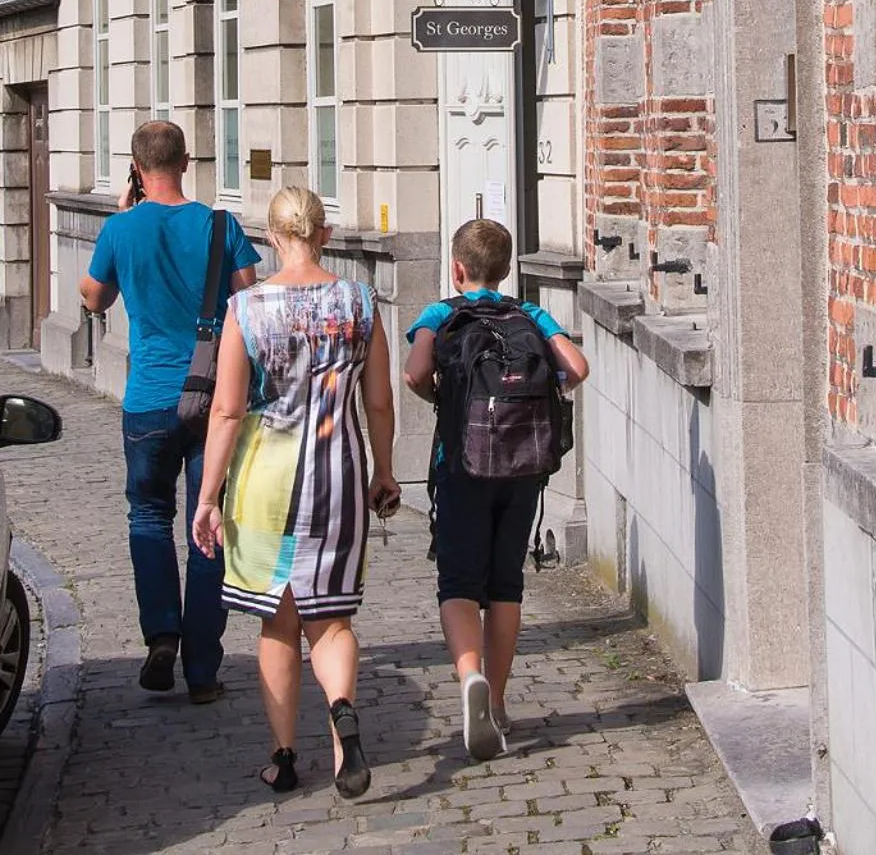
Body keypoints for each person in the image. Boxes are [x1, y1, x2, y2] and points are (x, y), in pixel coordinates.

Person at [191, 186, 399, 799]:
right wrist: (383, 470)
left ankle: (283, 757)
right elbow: (379, 399)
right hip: (338, 474)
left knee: (279, 624)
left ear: (272, 236)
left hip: (266, 479)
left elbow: (227, 411)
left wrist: (207, 496)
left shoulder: (247, 307)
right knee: (331, 620)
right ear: (325, 234)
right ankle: (342, 723)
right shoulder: (360, 302)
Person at [80, 119, 259, 702]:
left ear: (136, 168)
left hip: (148, 399)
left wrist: (124, 214)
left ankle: (161, 634)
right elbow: (248, 293)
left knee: (147, 517)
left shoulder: (119, 230)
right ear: (186, 161)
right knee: (207, 527)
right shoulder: (220, 225)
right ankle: (203, 669)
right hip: (215, 395)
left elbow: (93, 296)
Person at [404, 218, 589, 762]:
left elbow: (414, 374)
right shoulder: (529, 313)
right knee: (506, 583)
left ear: (457, 268)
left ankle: (470, 681)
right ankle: (501, 703)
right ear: (506, 269)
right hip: (524, 467)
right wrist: (544, 391)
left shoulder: (441, 314)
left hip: (463, 465)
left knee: (459, 581)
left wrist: (443, 398)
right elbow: (577, 366)